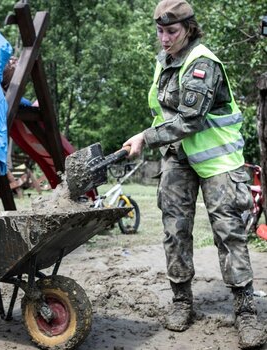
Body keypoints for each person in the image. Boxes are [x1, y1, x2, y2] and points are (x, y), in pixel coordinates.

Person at [123, 1, 266, 349]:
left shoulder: (203, 63)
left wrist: (145, 137)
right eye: (160, 31)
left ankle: (246, 312)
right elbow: (164, 113)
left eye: (171, 31)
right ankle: (182, 302)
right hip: (178, 157)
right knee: (174, 229)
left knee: (229, 233)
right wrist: (153, 137)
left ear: (189, 28)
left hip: (217, 160)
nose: (164, 38)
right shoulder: (164, 63)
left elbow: (191, 119)